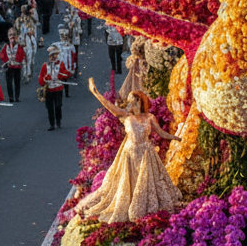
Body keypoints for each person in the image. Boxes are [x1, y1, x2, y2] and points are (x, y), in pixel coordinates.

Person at [75, 79, 182, 222]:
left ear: (139, 102)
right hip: (130, 155)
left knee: (146, 183)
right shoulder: (125, 116)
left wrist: (177, 138)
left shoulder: (149, 117)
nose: (129, 103)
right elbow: (109, 106)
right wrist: (96, 93)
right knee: (128, 185)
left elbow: (161, 133)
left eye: (132, 100)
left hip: (146, 155)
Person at [38, 45, 70, 131]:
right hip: (49, 90)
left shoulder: (61, 64)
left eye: (54, 55)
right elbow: (41, 77)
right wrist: (44, 80)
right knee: (50, 108)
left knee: (58, 106)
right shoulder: (45, 65)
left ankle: (58, 122)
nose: (52, 57)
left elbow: (66, 74)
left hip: (58, 89)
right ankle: (52, 124)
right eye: (51, 55)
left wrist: (60, 75)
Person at [0, 29, 25, 103]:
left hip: (17, 67)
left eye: (14, 35)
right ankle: (11, 97)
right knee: (9, 83)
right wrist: (6, 61)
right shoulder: (6, 47)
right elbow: (2, 55)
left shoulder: (19, 47)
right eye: (10, 35)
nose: (12, 37)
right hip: (9, 67)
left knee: (17, 82)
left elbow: (22, 55)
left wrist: (18, 60)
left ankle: (17, 97)